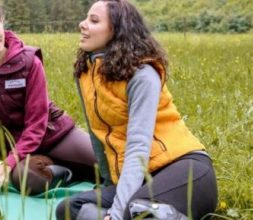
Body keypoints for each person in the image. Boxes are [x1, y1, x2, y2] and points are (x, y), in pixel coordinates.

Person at [56, 0, 218, 219]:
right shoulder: (86, 73)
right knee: (68, 209)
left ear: (116, 31)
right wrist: (108, 185)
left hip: (184, 169)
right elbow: (97, 136)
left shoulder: (142, 74)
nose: (82, 25)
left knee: (135, 211)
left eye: (93, 21)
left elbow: (138, 147)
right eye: (86, 18)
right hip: (140, 180)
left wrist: (116, 213)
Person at [0, 0, 96, 196]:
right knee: (29, 179)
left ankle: (71, 167)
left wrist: (6, 165)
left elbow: (37, 123)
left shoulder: (29, 61)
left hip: (54, 135)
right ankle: (67, 171)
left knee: (111, 163)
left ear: (2, 22)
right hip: (18, 150)